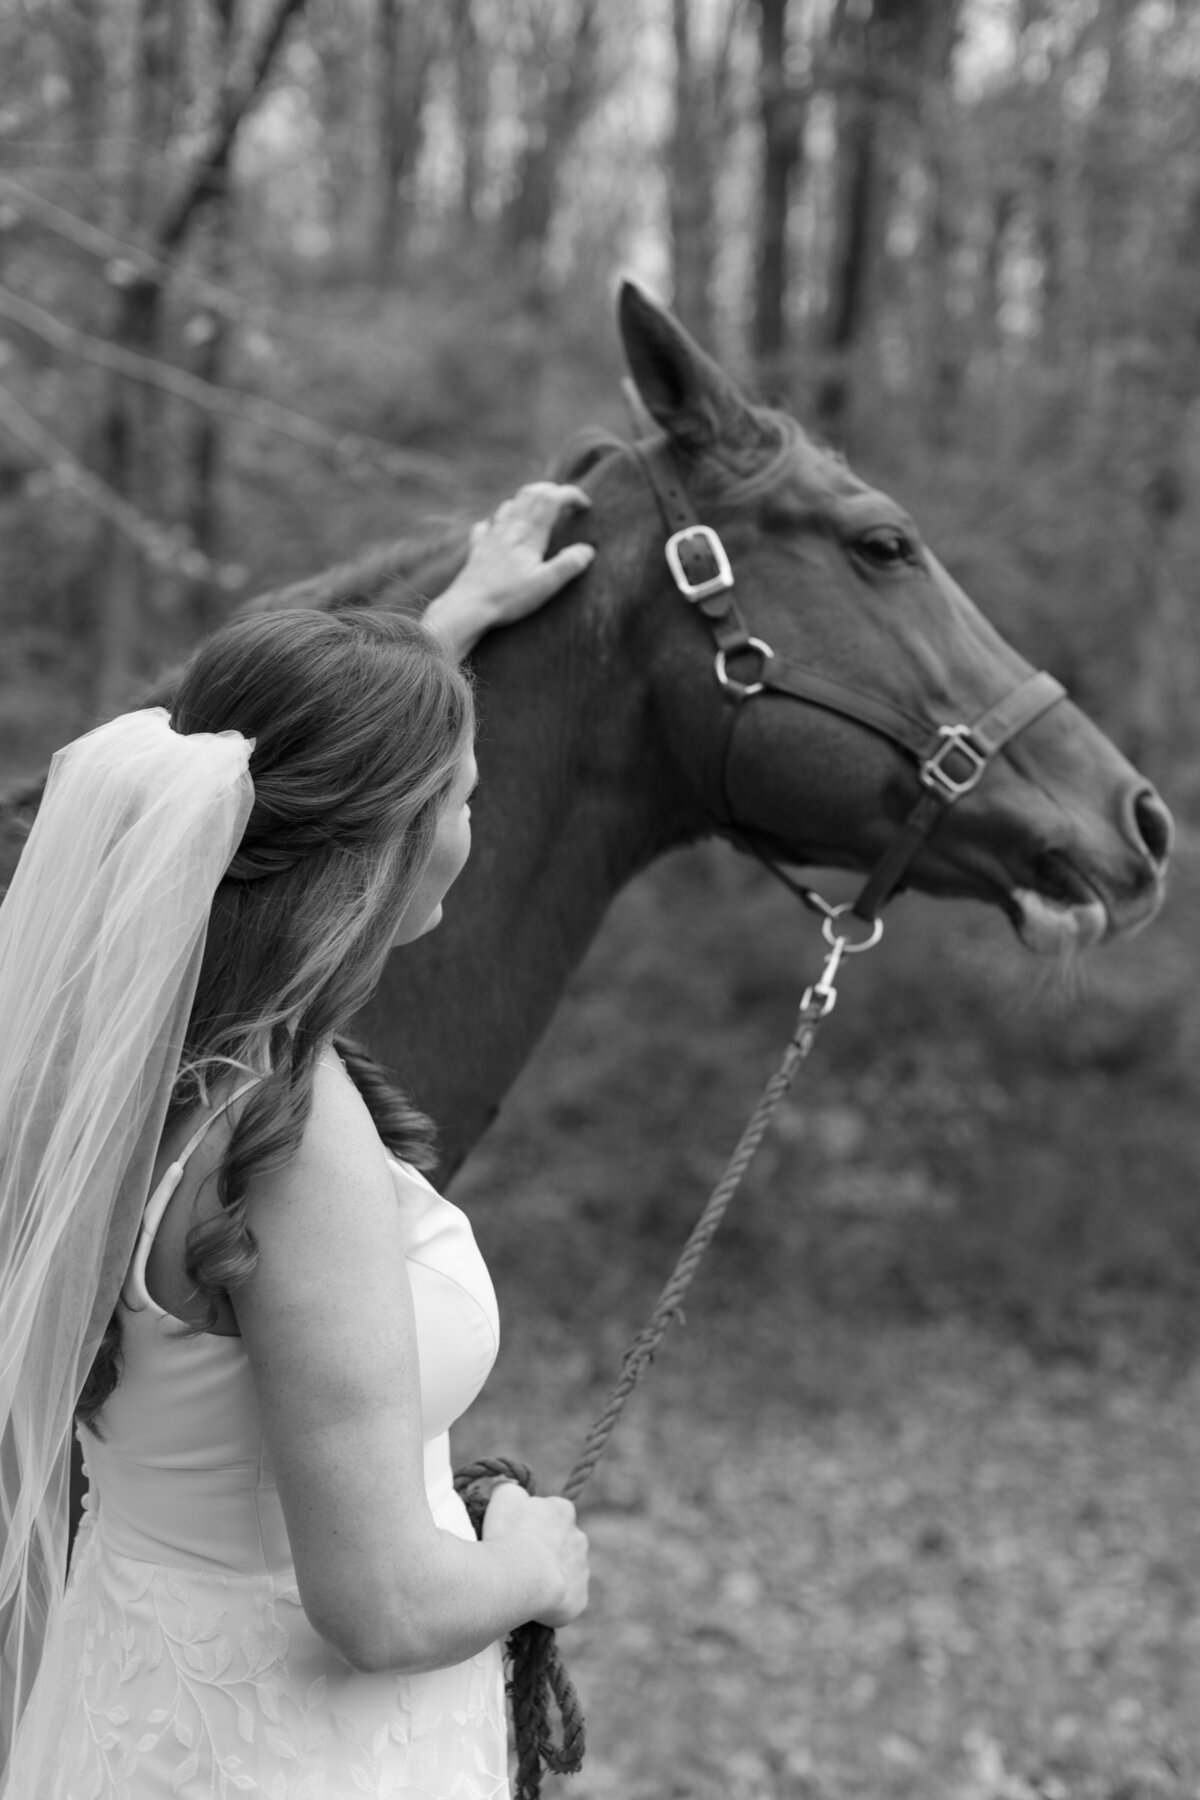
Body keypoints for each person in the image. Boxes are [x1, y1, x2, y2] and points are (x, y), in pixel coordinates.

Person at [0, 483, 597, 1800]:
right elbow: (380, 1603)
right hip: (294, 1751)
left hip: (129, 1701)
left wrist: (459, 619)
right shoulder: (292, 1132)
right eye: (462, 798)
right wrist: (535, 1561)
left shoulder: (114, 1051)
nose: (471, 832)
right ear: (390, 836)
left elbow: (285, 764)